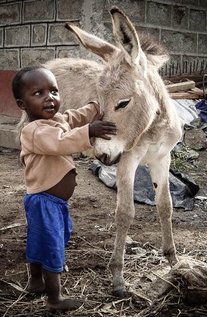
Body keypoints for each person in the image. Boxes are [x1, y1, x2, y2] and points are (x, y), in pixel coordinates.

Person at [12, 65, 117, 311]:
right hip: (43, 201)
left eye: (54, 91)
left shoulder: (56, 119)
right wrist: (89, 132)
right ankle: (54, 299)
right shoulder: (34, 131)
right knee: (51, 246)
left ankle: (35, 282)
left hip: (53, 202)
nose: (49, 98)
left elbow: (75, 116)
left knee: (40, 241)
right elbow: (61, 143)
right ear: (22, 104)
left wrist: (99, 104)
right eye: (38, 93)